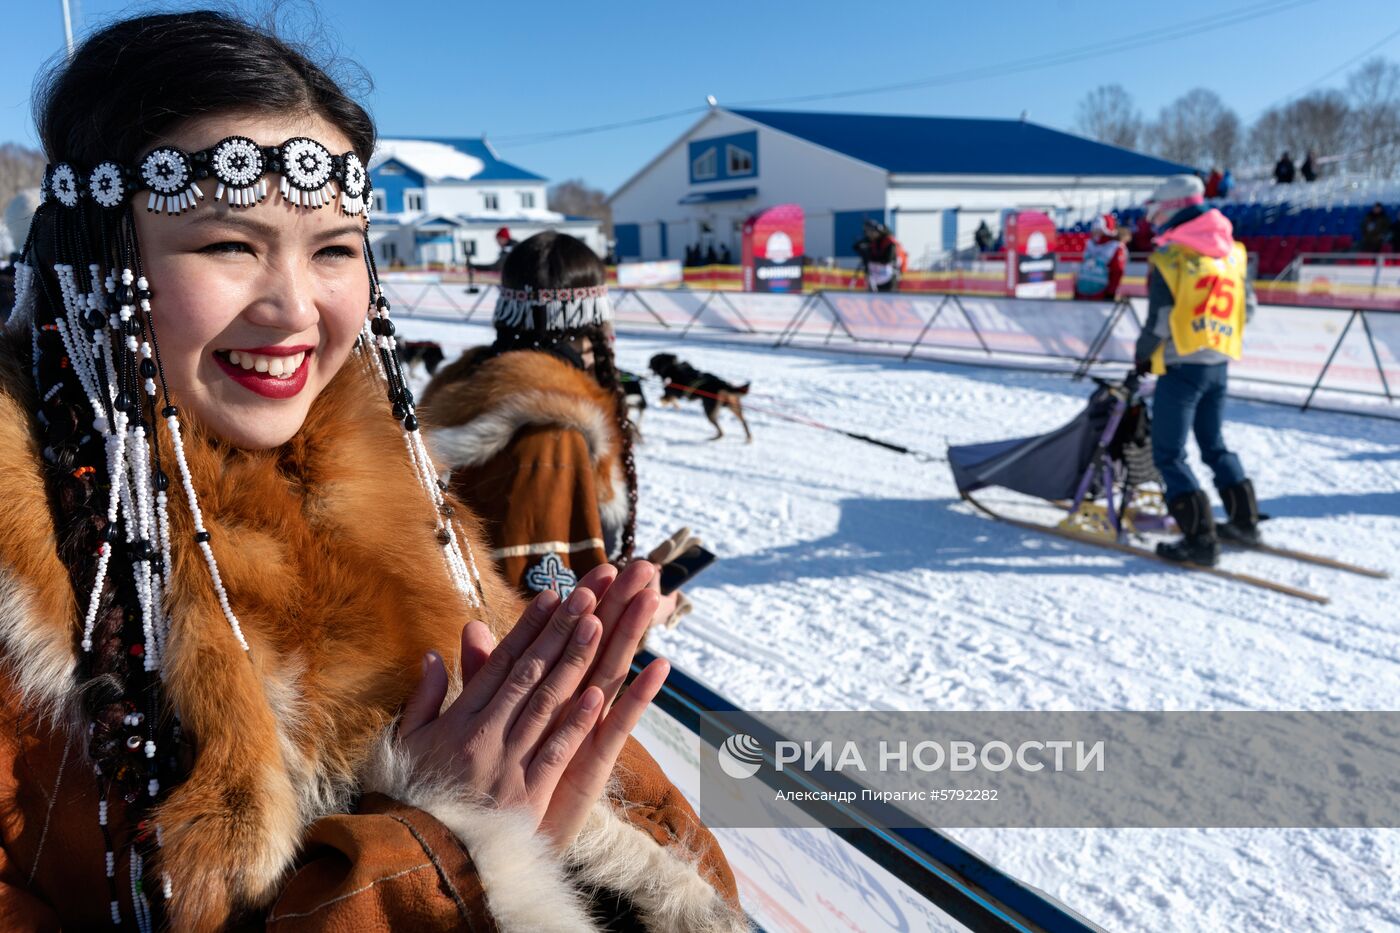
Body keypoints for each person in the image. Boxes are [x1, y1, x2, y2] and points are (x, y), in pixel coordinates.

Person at [0, 12, 745, 931]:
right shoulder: (30, 573)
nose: (294, 307)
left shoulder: (403, 500)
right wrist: (434, 857)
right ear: (102, 261)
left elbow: (629, 829)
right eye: (228, 244)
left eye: (336, 249)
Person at [419, 232, 695, 630]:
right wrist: (649, 608)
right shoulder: (549, 437)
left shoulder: (465, 389)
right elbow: (549, 620)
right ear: (591, 319)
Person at [1134, 175, 1260, 566]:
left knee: (1169, 454)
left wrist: (1142, 357)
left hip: (1182, 367)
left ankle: (1200, 542)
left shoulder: (1172, 257)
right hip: (1218, 364)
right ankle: (1244, 522)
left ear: (1170, 208)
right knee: (1213, 444)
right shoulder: (1231, 253)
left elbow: (1159, 322)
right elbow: (1249, 309)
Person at [1073, 214, 1127, 301]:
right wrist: (1076, 289)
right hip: (1082, 292)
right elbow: (1080, 268)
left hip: (1101, 294)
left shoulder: (1115, 247)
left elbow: (1117, 272)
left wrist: (1110, 293)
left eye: (1099, 229)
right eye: (1095, 229)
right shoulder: (1089, 244)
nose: (1096, 232)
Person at [853, 218, 903, 292]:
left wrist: (870, 258)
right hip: (874, 276)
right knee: (872, 297)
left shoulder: (889, 243)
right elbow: (856, 246)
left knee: (887, 297)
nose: (869, 235)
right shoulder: (872, 241)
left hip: (888, 276)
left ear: (877, 231)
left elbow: (887, 260)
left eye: (870, 232)